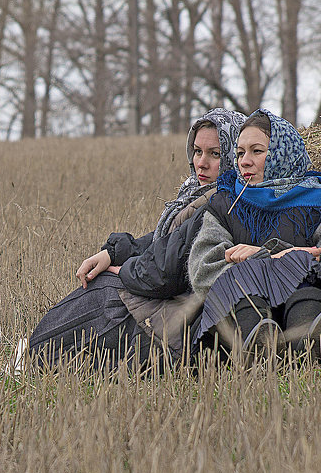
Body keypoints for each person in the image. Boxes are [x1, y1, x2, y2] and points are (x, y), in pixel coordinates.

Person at [22, 108, 246, 373]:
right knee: (102, 287)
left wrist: (122, 269)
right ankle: (39, 355)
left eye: (215, 154)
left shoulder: (221, 202)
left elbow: (165, 273)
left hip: (178, 325)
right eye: (198, 151)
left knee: (106, 291)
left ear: (234, 155)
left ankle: (39, 359)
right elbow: (163, 241)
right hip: (167, 307)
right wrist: (113, 253)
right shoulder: (196, 194)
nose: (202, 162)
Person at [187, 108, 321, 361]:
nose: (245, 161)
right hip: (242, 311)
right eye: (239, 153)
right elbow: (204, 268)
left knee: (309, 292)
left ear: (283, 153)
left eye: (257, 151)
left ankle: (310, 346)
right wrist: (272, 264)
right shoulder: (226, 204)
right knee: (244, 301)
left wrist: (275, 260)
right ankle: (259, 347)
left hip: (303, 305)